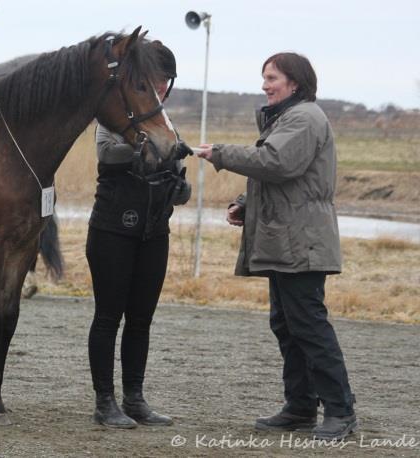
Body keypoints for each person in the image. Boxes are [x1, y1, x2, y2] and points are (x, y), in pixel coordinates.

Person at [196, 52, 357, 440]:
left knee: (309, 326)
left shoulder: (304, 117)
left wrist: (219, 153)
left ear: (295, 83)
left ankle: (340, 412)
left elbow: (276, 162)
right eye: (264, 78)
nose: (266, 85)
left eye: (272, 78)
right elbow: (283, 178)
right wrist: (245, 204)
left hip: (301, 241)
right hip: (287, 239)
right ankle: (300, 407)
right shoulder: (288, 118)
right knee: (287, 325)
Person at [86, 41, 191, 428]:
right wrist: (148, 154)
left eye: (166, 82)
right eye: (155, 81)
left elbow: (177, 175)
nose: (161, 88)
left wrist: (181, 189)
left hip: (153, 230)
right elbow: (107, 156)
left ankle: (135, 398)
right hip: (113, 228)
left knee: (141, 320)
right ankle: (104, 402)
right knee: (108, 317)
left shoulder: (165, 122)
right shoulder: (115, 117)